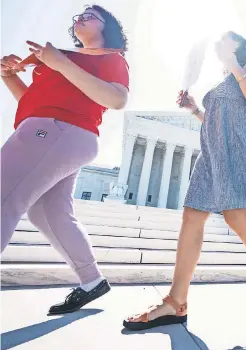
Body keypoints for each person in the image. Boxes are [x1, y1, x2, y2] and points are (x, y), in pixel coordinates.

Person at [124, 31, 246, 331]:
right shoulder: (223, 78)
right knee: (191, 217)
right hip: (210, 153)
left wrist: (234, 64)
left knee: (237, 218)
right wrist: (195, 110)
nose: (218, 45)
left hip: (235, 150)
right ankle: (176, 302)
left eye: (225, 40)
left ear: (238, 45)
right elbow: (218, 120)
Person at [1, 5, 129, 314]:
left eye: (90, 15)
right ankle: (91, 281)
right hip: (56, 131)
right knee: (48, 212)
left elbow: (117, 99)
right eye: (79, 16)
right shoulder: (63, 59)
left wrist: (59, 62)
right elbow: (36, 101)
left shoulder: (110, 58)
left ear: (106, 28)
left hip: (59, 130)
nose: (80, 18)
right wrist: (8, 76)